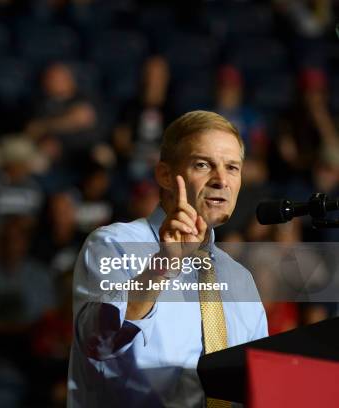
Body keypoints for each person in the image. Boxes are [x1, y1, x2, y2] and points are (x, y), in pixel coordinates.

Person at [68, 111, 268, 407]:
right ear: (163, 175)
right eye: (203, 164)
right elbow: (98, 342)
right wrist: (162, 266)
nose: (221, 180)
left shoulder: (241, 279)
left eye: (232, 168)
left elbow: (257, 384)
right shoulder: (113, 245)